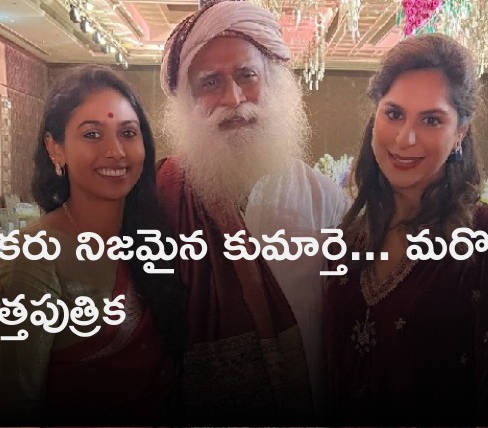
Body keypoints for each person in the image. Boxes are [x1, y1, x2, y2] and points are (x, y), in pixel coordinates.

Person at [323, 34, 488, 426]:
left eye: (432, 119)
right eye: (394, 114)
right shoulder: (349, 237)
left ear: (460, 132)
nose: (406, 139)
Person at [156, 0, 349, 423]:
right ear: (187, 101)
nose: (234, 99)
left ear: (275, 83)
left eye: (247, 75)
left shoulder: (323, 200)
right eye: (210, 83)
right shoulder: (158, 200)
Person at [0, 65, 185, 425]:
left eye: (128, 132)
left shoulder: (151, 234)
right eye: (92, 134)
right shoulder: (33, 257)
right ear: (55, 148)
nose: (115, 151)